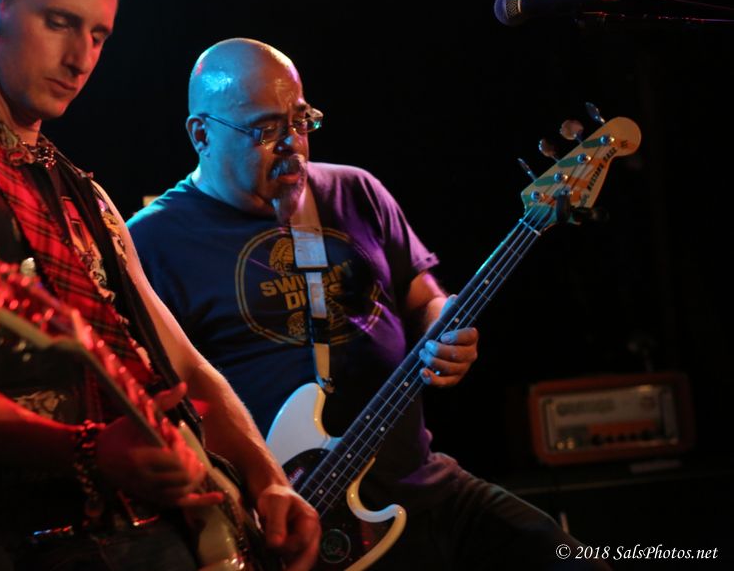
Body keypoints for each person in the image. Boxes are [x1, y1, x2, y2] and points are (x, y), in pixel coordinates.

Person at [0, 0, 319, 570]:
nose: (81, 59)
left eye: (98, 36)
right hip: (17, 547)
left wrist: (267, 478)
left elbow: (184, 366)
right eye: (59, 23)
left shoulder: (84, 194)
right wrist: (89, 451)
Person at [127, 38, 609, 570]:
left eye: (301, 121)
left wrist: (445, 324)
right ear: (201, 134)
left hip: (420, 484)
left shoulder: (355, 191)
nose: (293, 143)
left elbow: (424, 296)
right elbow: (154, 405)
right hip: (291, 527)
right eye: (266, 130)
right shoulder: (150, 242)